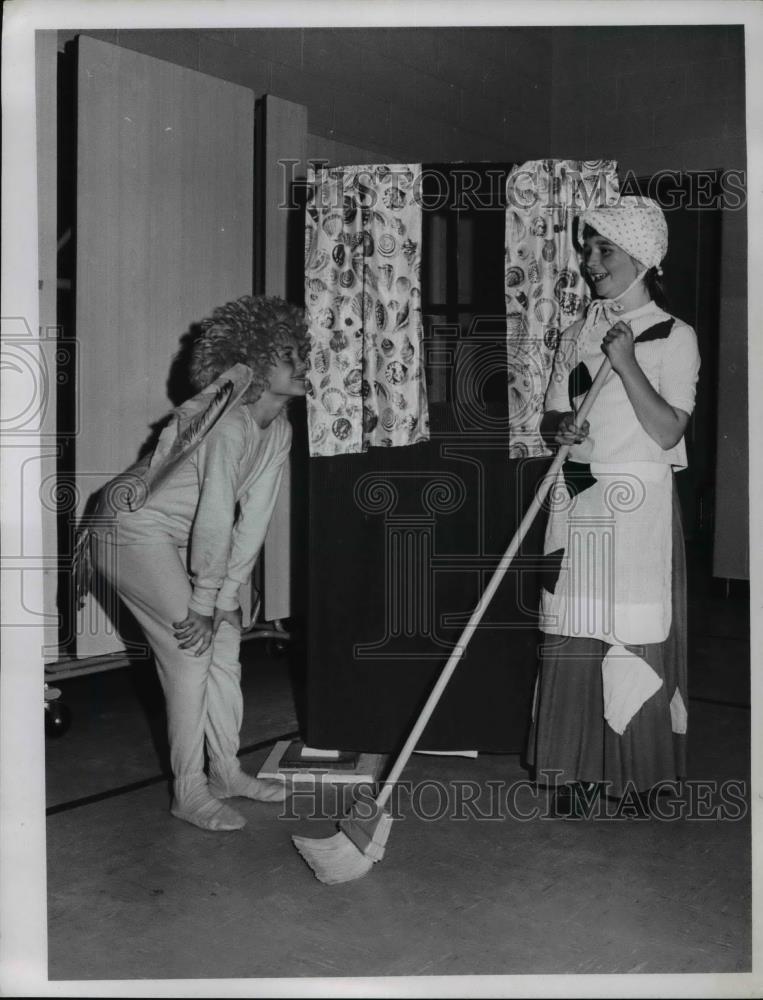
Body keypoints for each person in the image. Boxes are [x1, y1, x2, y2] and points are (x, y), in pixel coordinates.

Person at [90, 294, 309, 831]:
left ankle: (225, 772)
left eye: (303, 352)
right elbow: (214, 516)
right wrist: (206, 600)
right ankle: (187, 789)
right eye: (287, 355)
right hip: (127, 527)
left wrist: (227, 597)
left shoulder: (277, 429)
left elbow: (252, 521)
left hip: (172, 537)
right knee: (190, 651)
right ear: (251, 362)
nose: (303, 364)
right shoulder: (228, 424)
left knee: (226, 642)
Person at [526, 197, 701, 817]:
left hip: (637, 506)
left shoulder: (675, 336)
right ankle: (571, 771)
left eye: (605, 251)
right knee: (574, 630)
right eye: (588, 249)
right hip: (575, 498)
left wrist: (625, 363)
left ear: (644, 259)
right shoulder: (576, 333)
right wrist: (560, 428)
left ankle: (634, 778)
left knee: (629, 631)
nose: (590, 261)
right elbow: (551, 414)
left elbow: (668, 432)